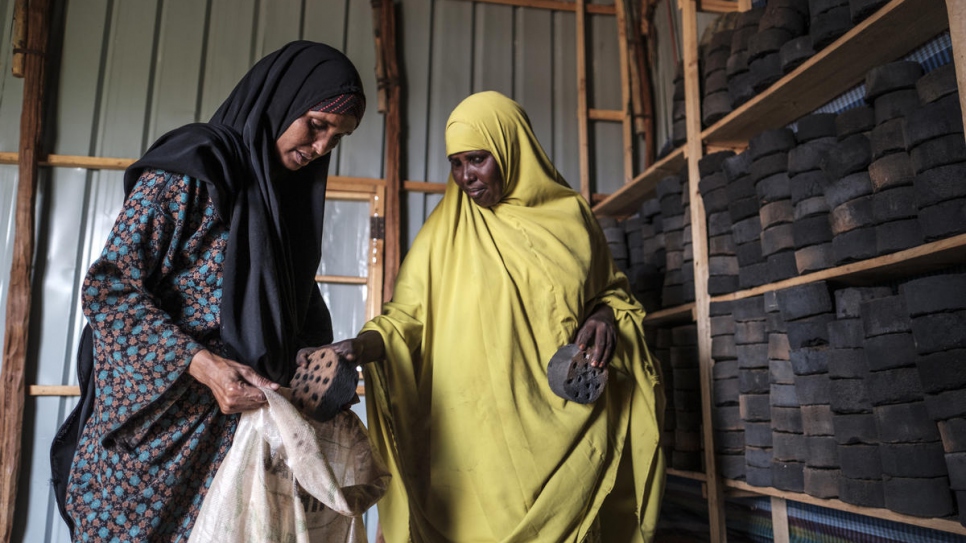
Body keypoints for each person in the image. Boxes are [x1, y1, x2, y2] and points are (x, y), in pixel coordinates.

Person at [305, 91, 666, 542]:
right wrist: (360, 346)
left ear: (513, 149)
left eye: (477, 159)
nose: (466, 177)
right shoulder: (443, 234)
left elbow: (609, 292)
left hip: (564, 428)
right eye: (456, 163)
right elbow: (405, 319)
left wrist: (605, 316)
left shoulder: (571, 219)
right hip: (471, 437)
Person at [49, 41, 366, 541]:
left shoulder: (283, 210)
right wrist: (204, 365)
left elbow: (293, 323)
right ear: (281, 102)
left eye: (337, 137)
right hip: (151, 443)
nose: (322, 147)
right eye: (316, 124)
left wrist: (317, 367)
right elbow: (109, 292)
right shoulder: (196, 169)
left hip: (229, 454)